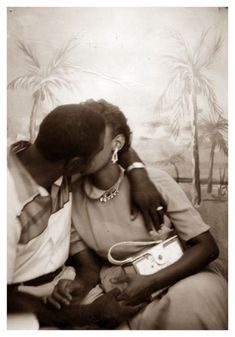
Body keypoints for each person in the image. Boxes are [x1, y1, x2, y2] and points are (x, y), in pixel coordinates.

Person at [65, 99, 227, 330]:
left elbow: (207, 247)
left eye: (94, 138)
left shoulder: (155, 180)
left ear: (117, 143)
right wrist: (78, 286)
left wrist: (149, 284)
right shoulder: (71, 199)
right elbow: (88, 268)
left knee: (197, 297)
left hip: (178, 276)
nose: (83, 146)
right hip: (120, 288)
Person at [7, 103, 163, 329]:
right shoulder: (9, 206)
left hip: (66, 285)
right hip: (19, 306)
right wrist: (90, 314)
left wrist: (138, 174)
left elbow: (113, 139)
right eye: (97, 151)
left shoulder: (53, 159)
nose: (108, 154)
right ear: (76, 164)